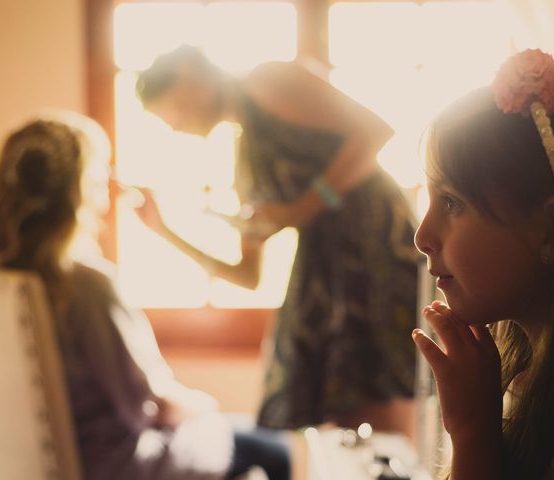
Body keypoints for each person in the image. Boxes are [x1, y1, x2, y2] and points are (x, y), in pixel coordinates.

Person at [0, 111, 291, 480]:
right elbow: (148, 406)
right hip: (115, 465)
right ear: (76, 193)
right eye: (97, 181)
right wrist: (203, 404)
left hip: (58, 462)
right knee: (274, 450)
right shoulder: (85, 285)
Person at [133, 44, 420, 435]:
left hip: (375, 250)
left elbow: (374, 131)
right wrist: (164, 232)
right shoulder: (244, 162)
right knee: (336, 414)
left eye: (166, 112)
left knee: (382, 399)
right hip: (325, 274)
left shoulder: (267, 81)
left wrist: (301, 208)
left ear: (186, 77)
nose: (172, 126)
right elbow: (248, 276)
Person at [413, 49, 554, 479]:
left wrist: (472, 435)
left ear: (553, 230)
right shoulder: (517, 378)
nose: (422, 238)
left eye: (451, 202)